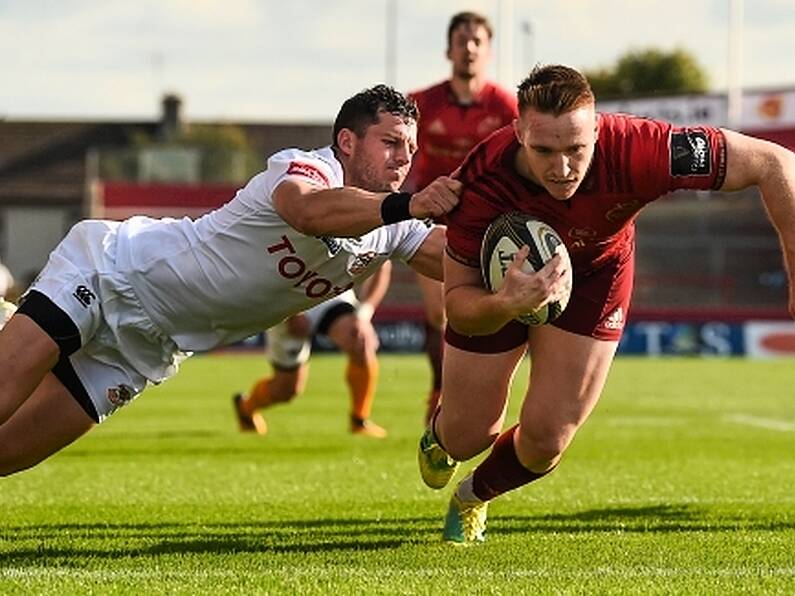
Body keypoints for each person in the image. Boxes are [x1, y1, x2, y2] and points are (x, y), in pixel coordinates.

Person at [417, 64, 795, 543]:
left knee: (546, 443)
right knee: (468, 434)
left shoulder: (643, 149)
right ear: (517, 132)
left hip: (597, 273)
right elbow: (459, 302)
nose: (561, 168)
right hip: (499, 288)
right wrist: (508, 301)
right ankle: (441, 437)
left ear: (598, 128)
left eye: (576, 149)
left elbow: (774, 162)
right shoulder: (478, 185)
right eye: (543, 150)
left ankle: (473, 496)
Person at [0, 84, 461, 477]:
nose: (403, 160)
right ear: (346, 140)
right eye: (391, 142)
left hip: (143, 352)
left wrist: (519, 267)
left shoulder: (396, 226)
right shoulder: (304, 166)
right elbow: (308, 212)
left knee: (7, 455)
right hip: (109, 273)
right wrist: (411, 206)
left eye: (411, 149)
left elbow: (455, 258)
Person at [404, 11, 518, 424]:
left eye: (476, 41)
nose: (468, 48)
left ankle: (477, 393)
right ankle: (440, 392)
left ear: (487, 50)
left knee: (485, 310)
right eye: (461, 40)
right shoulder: (420, 103)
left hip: (490, 226)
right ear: (448, 49)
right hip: (433, 223)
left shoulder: (507, 107)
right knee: (439, 312)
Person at [233, 261, 393, 438]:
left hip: (331, 289)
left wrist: (363, 315)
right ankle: (246, 408)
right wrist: (291, 313)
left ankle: (359, 420)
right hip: (289, 295)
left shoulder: (370, 234)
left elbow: (383, 264)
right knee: (286, 390)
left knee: (361, 341)